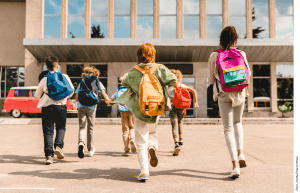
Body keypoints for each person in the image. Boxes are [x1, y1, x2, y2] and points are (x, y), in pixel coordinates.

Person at [111, 43, 177, 182]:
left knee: (141, 140)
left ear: (139, 55)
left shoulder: (134, 71)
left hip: (139, 109)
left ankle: (144, 171)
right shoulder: (160, 68)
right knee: (152, 132)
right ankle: (152, 147)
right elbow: (173, 80)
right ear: (153, 54)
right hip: (156, 108)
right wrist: (167, 96)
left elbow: (125, 84)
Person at [208, 26, 251, 178]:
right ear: (235, 39)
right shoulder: (241, 53)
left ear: (221, 39)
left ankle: (235, 166)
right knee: (238, 123)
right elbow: (248, 74)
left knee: (228, 129)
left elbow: (210, 79)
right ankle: (241, 154)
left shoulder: (214, 55)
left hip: (223, 93)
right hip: (239, 92)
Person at [35, 56, 74, 165]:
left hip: (47, 107)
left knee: (48, 131)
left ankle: (49, 156)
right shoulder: (64, 76)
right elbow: (71, 90)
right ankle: (58, 146)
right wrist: (63, 97)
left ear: (46, 67)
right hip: (61, 107)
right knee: (61, 127)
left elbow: (37, 95)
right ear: (57, 66)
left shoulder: (45, 78)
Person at [74, 66, 110, 159]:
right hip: (91, 107)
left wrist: (76, 101)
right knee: (90, 128)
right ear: (95, 73)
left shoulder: (82, 80)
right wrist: (109, 101)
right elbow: (103, 93)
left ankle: (81, 143)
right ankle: (90, 149)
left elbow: (77, 96)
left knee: (82, 126)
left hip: (81, 106)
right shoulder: (97, 81)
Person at [168, 69, 199, 156]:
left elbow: (167, 98)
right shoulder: (183, 86)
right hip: (181, 107)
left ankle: (176, 143)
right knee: (180, 123)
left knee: (174, 124)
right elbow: (194, 91)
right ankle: (181, 140)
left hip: (173, 107)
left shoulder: (170, 87)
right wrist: (195, 102)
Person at [106, 73, 137, 156]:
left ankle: (127, 150)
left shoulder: (119, 89)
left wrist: (108, 101)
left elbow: (112, 99)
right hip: (131, 110)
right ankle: (132, 139)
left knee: (125, 129)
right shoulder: (133, 89)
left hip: (122, 111)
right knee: (132, 127)